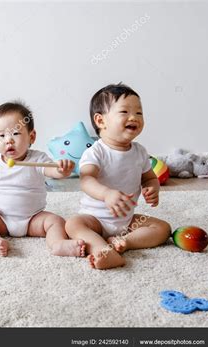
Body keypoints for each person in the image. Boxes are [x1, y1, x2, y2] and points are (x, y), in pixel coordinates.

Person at [65, 83, 171, 269]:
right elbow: (86, 179)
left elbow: (149, 178)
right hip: (94, 219)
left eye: (139, 113)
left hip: (126, 220)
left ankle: (124, 242)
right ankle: (102, 250)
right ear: (100, 121)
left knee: (163, 229)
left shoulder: (139, 152)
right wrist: (106, 194)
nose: (134, 117)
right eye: (124, 111)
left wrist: (152, 188)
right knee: (73, 225)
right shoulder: (96, 152)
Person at [0, 101, 83, 257]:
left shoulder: (37, 158)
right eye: (1, 135)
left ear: (31, 136)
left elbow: (52, 171)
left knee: (56, 221)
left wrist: (62, 170)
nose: (8, 140)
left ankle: (58, 244)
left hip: (33, 219)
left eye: (15, 133)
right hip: (1, 218)